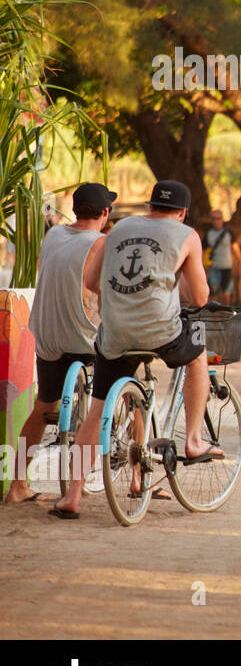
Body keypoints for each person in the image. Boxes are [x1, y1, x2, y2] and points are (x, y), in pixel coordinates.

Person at [51, 180, 220, 519]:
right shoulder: (187, 236)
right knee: (198, 353)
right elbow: (200, 298)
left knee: (97, 412)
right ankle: (193, 440)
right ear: (183, 212)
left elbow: (92, 282)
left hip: (114, 334)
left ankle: (71, 497)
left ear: (150, 206)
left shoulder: (119, 229)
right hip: (162, 332)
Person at [4, 183, 114, 504]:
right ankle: (137, 477)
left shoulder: (53, 235)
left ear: (76, 210)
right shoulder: (103, 243)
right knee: (104, 403)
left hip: (46, 337)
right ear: (105, 213)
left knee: (43, 407)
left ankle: (17, 486)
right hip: (83, 339)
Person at [204, 209, 236, 304]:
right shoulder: (208, 234)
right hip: (214, 267)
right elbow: (203, 250)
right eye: (213, 219)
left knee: (226, 293)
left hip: (227, 267)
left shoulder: (229, 233)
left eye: (218, 219)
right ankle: (215, 318)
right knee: (213, 295)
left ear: (222, 219)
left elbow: (235, 248)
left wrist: (239, 264)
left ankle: (226, 317)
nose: (216, 221)